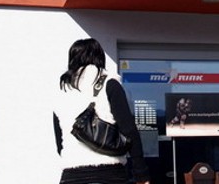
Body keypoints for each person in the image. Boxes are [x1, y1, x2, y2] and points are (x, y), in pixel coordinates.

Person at [52, 38, 149, 184]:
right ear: (100, 58)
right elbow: (128, 129)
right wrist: (141, 173)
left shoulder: (62, 91)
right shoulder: (110, 84)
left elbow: (60, 142)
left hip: (71, 176)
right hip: (108, 174)